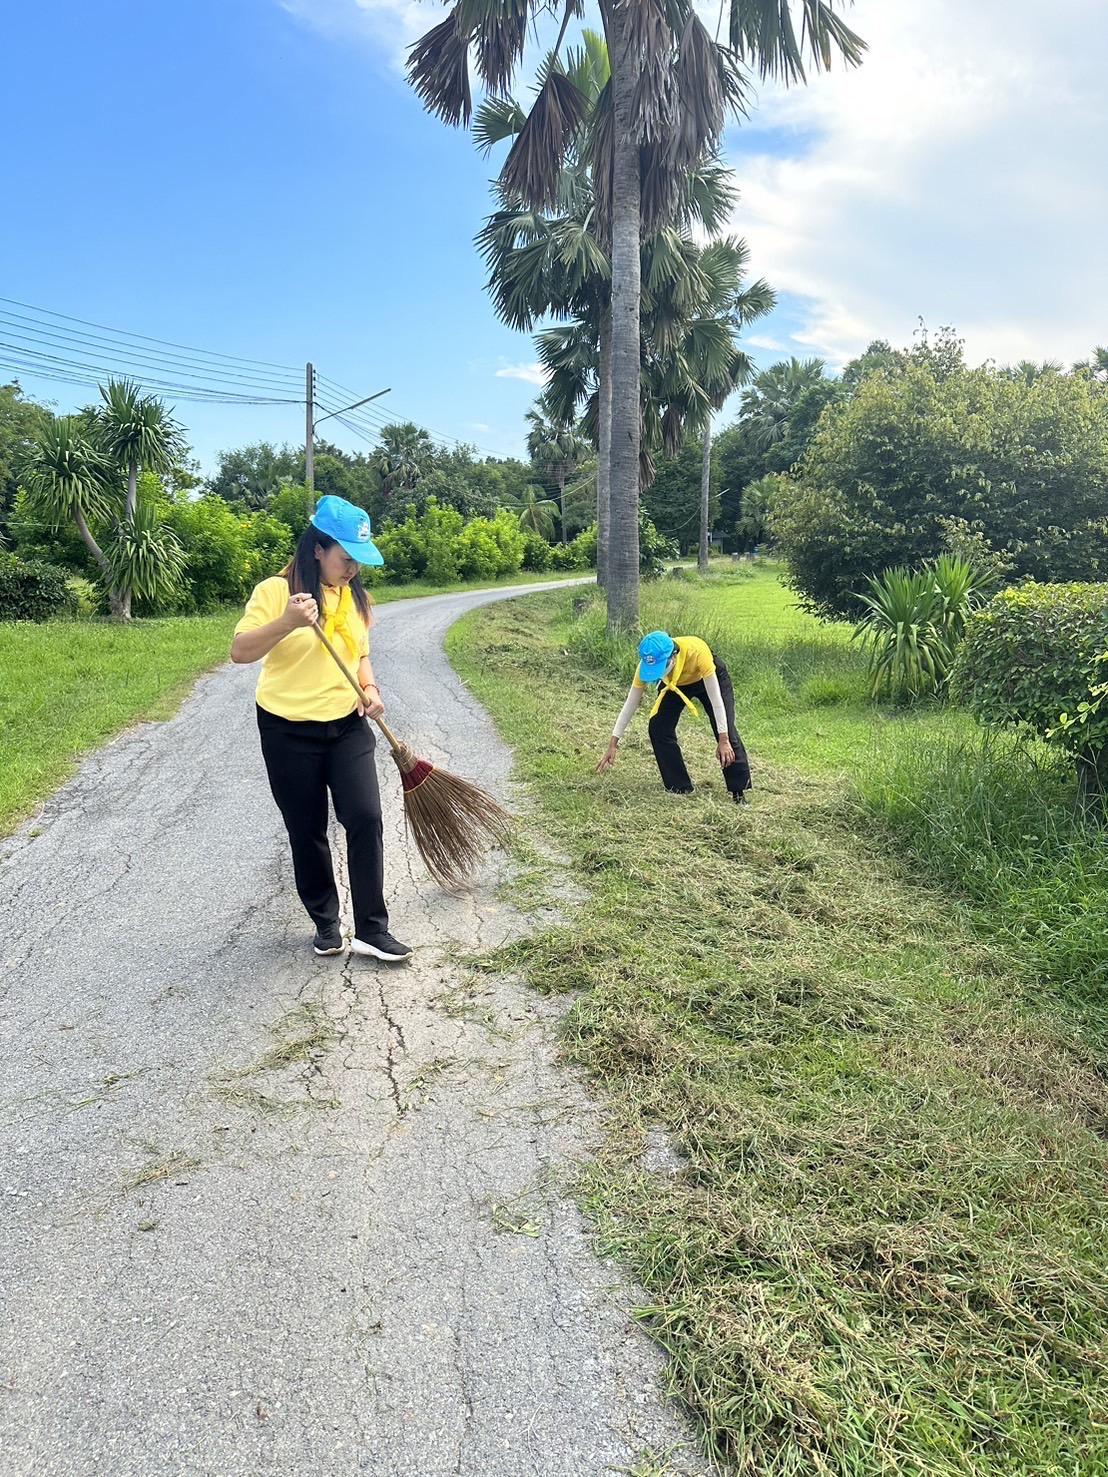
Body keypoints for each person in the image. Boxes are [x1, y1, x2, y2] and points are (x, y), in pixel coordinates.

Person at [231, 494, 412, 962]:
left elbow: (361, 655)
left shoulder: (355, 597)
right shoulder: (274, 592)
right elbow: (241, 651)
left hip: (348, 726)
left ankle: (373, 928)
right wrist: (289, 622)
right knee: (306, 827)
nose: (352, 569)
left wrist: (370, 689)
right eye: (345, 558)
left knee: (366, 817)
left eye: (358, 561)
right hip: (286, 729)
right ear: (318, 548)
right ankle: (326, 924)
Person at [596, 630, 752, 801]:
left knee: (725, 730)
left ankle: (739, 791)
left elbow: (716, 701)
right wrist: (613, 743)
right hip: (675, 684)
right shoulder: (645, 665)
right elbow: (630, 704)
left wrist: (723, 740)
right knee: (658, 728)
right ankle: (679, 787)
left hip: (707, 678)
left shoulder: (698, 651)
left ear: (674, 656)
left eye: (661, 667)